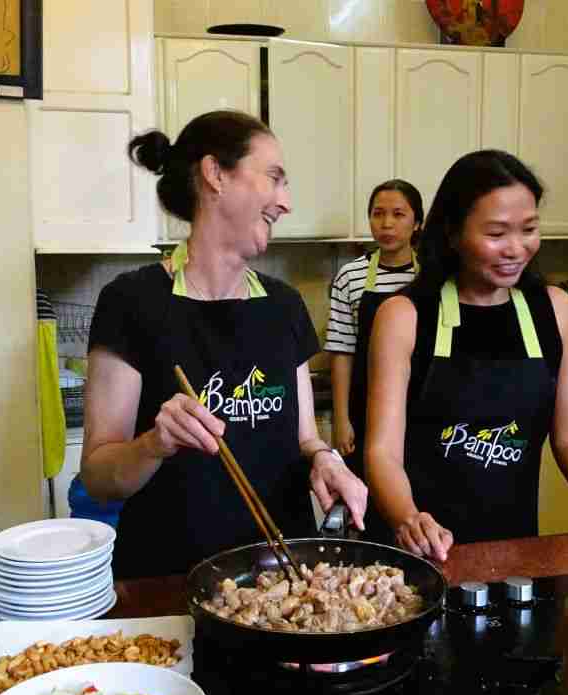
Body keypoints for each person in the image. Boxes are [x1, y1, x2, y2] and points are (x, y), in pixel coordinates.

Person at [81, 110, 367, 577]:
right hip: (169, 579)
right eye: (274, 178)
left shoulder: (283, 306)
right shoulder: (131, 302)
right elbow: (98, 477)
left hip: (282, 582)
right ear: (215, 174)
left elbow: (305, 438)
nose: (285, 202)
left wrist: (326, 460)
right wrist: (156, 442)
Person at [365, 150, 568, 561]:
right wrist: (409, 518)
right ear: (453, 234)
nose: (516, 248)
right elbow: (382, 452)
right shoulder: (404, 316)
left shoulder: (553, 309)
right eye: (496, 233)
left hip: (516, 549)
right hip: (421, 555)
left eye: (528, 229)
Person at [325, 180, 425, 477]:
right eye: (378, 214)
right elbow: (342, 352)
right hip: (366, 410)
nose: (386, 224)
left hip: (424, 408)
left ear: (417, 222)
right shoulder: (350, 276)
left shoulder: (434, 276)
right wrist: (342, 419)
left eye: (398, 214)